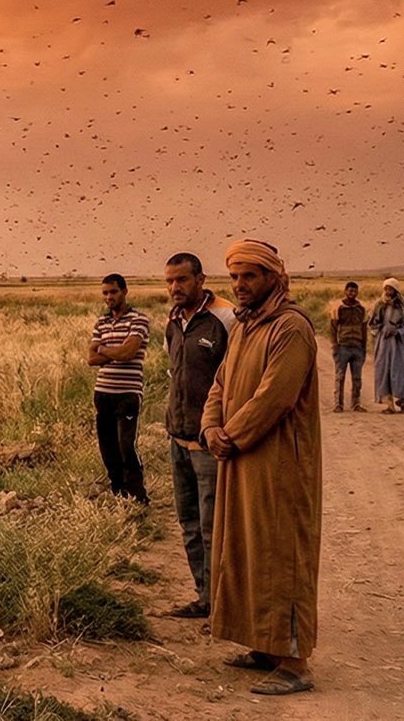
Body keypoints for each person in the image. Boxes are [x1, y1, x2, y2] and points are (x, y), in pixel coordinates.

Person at [202, 239, 320, 696]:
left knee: (279, 553)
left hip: (278, 464)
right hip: (242, 457)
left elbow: (275, 396)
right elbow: (221, 382)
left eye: (249, 276)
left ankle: (294, 662)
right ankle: (262, 645)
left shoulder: (290, 328)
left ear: (274, 277)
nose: (240, 285)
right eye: (234, 277)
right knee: (245, 549)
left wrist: (229, 436)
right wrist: (211, 427)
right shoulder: (246, 327)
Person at [161, 252, 235, 620]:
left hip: (209, 445)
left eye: (182, 280)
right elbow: (175, 373)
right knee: (188, 523)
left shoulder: (225, 318)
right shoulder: (173, 322)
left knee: (214, 529)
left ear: (201, 279)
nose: (175, 288)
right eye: (170, 281)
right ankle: (204, 599)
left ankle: (224, 605)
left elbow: (239, 379)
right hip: (179, 439)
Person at [88, 273, 151, 504]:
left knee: (126, 446)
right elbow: (90, 359)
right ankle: (118, 493)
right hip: (103, 392)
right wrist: (111, 352)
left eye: (113, 292)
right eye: (105, 293)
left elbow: (128, 353)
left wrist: (103, 350)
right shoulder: (101, 322)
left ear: (124, 291)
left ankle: (137, 495)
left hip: (128, 393)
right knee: (108, 448)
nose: (108, 297)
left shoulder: (139, 320)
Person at [367, 277, 404, 413]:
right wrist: (380, 332)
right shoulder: (380, 304)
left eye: (390, 288)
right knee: (384, 371)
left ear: (396, 290)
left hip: (400, 344)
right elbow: (372, 322)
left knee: (402, 371)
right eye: (386, 288)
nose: (387, 291)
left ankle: (403, 401)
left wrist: (399, 332)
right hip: (384, 343)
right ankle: (389, 405)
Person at [325, 282, 368, 412]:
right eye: (350, 291)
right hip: (342, 347)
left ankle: (356, 403)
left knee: (357, 378)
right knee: (340, 376)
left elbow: (364, 329)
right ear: (345, 291)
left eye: (354, 291)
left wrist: (364, 348)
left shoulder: (361, 309)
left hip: (357, 347)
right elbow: (333, 329)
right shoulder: (338, 308)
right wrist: (334, 346)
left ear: (357, 293)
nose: (352, 294)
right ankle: (338, 404)